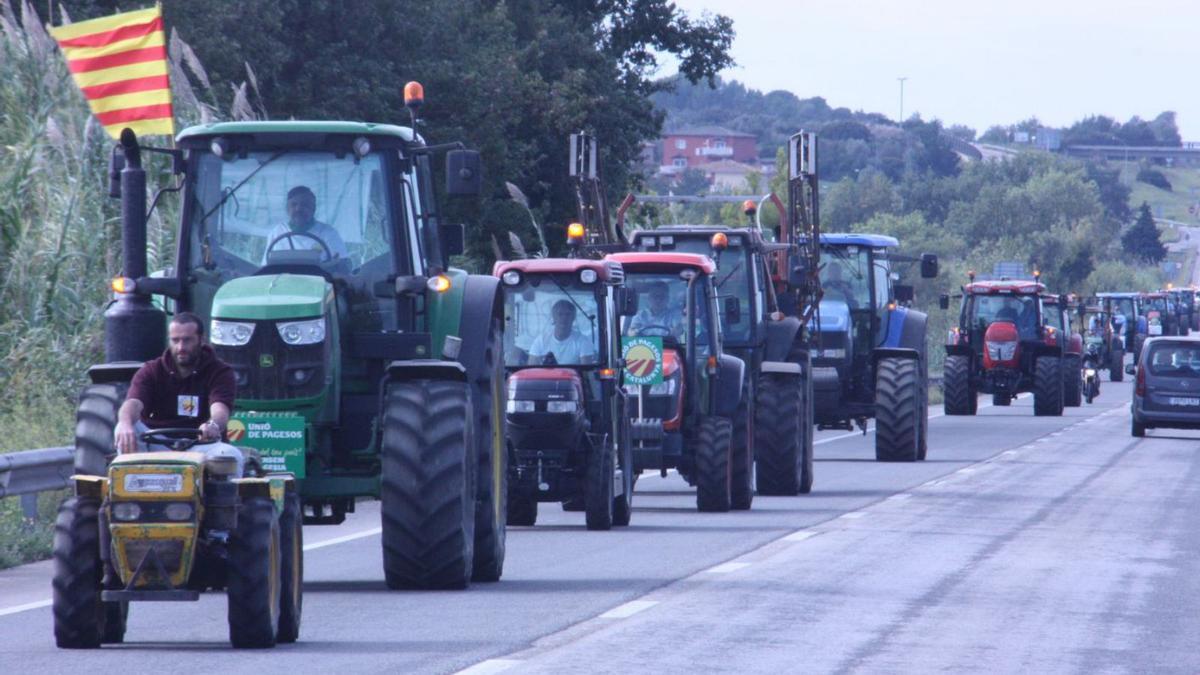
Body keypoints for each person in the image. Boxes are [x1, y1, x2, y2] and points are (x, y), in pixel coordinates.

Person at [113, 312, 245, 476]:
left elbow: (220, 410)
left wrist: (213, 425)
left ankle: (224, 501)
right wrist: (125, 423)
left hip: (201, 445)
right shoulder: (151, 371)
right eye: (175, 340)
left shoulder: (219, 371)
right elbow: (133, 403)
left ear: (201, 340)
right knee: (124, 426)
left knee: (230, 455)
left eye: (187, 340)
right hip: (156, 442)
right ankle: (132, 496)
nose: (181, 347)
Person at [262, 185, 349, 263]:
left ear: (313, 209)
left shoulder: (329, 234)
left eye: (305, 205)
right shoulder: (276, 232)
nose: (298, 209)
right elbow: (266, 266)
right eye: (294, 204)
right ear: (287, 208)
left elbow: (342, 266)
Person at [528, 299, 596, 365]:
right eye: (560, 314)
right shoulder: (541, 341)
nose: (564, 318)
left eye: (568, 314)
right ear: (554, 317)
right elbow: (530, 370)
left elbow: (587, 372)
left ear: (573, 317)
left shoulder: (582, 341)